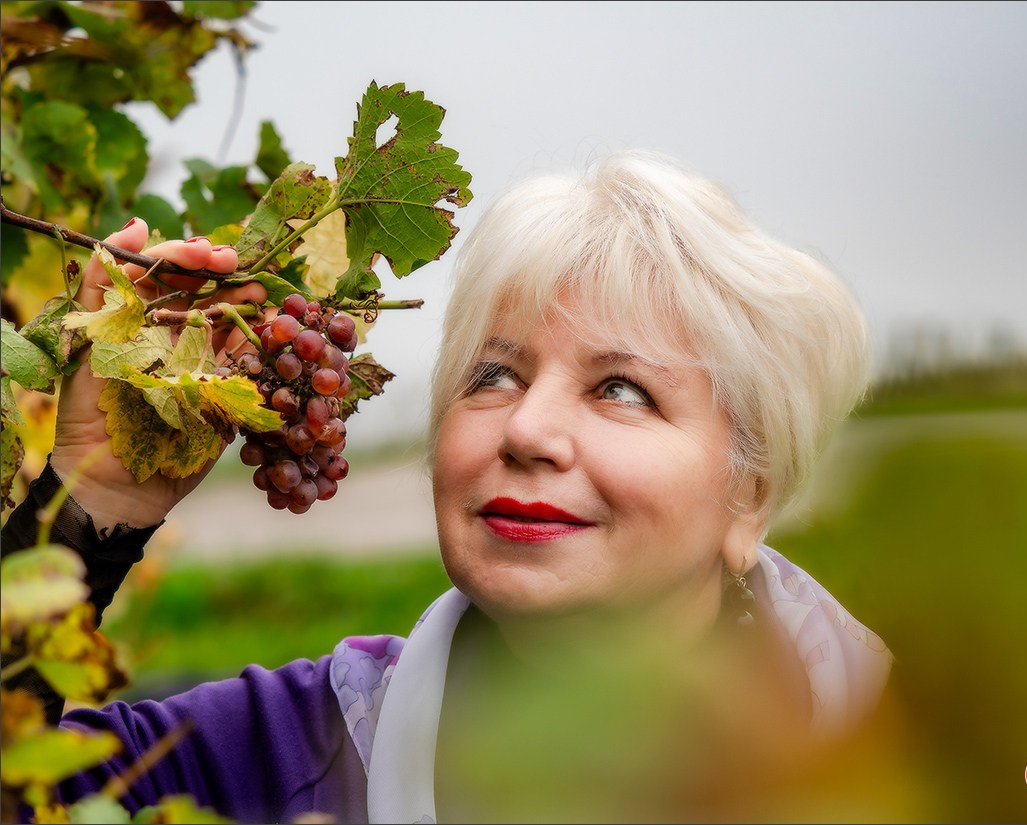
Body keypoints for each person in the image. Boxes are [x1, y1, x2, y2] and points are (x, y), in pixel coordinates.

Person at [2, 150, 893, 824]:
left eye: (622, 388)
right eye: (494, 375)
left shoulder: (946, 754)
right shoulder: (280, 756)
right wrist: (92, 509)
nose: (528, 429)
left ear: (750, 494)